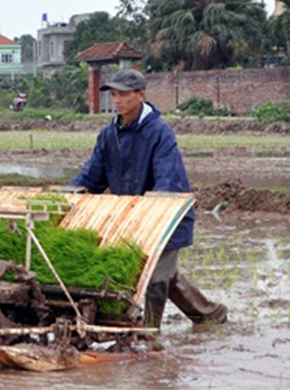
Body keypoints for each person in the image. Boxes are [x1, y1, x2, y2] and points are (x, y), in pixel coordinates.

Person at [70, 68, 227, 329]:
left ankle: (150, 332)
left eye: (123, 95)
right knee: (166, 276)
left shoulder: (160, 131)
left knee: (155, 278)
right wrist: (69, 195)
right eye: (113, 95)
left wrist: (156, 205)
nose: (116, 101)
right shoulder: (109, 134)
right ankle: (211, 315)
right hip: (133, 218)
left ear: (140, 95)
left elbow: (168, 177)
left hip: (167, 217)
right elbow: (91, 174)